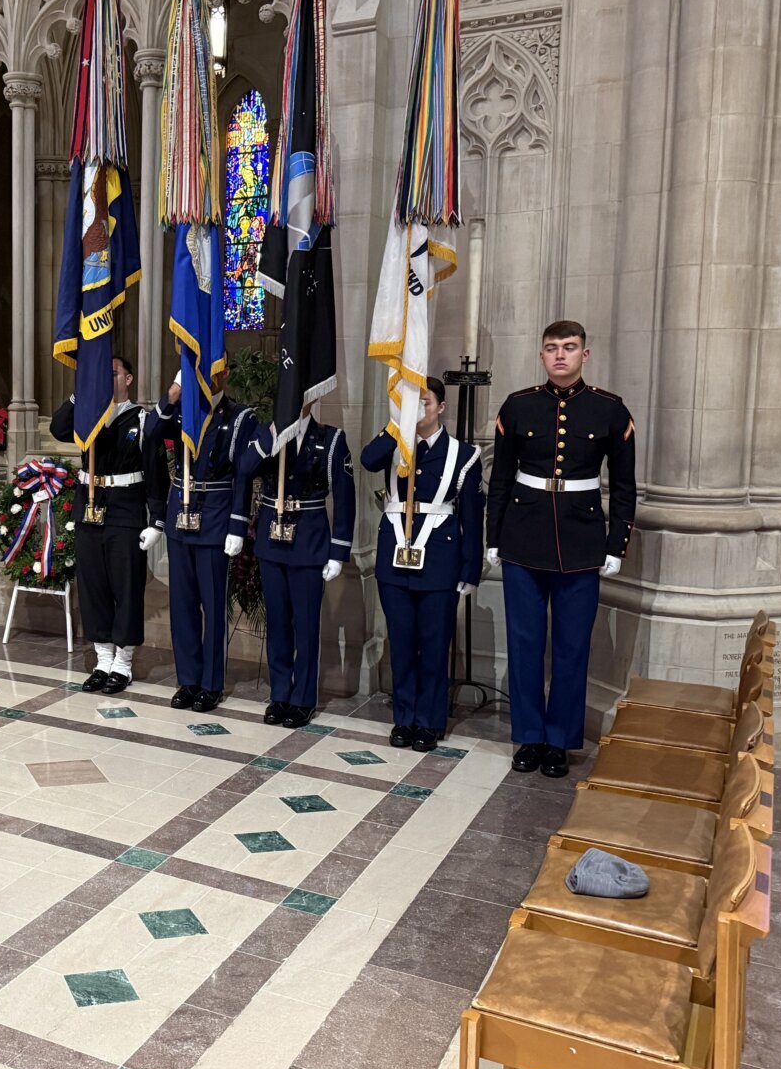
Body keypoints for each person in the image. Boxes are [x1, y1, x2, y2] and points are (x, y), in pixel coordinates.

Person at [487, 320, 637, 778]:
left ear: (584, 355)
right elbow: (499, 480)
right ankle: (529, 736)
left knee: (572, 647)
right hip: (523, 536)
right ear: (541, 355)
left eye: (569, 348)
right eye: (551, 348)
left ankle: (560, 740)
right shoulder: (517, 406)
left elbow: (626, 487)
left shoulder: (610, 410)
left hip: (582, 541)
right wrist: (493, 537)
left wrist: (617, 544)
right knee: (525, 643)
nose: (559, 356)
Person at [360, 377, 484, 752]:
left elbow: (473, 517)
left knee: (432, 645)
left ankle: (429, 721)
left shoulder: (464, 455)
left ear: (441, 407)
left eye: (424, 402)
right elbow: (367, 459)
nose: (420, 409)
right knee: (401, 643)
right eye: (412, 402)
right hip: (395, 560)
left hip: (440, 561)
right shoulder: (395, 445)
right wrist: (398, 421)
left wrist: (470, 569)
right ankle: (405, 718)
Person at [49, 355, 164, 694]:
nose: (107, 379)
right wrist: (80, 394)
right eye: (101, 374)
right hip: (90, 508)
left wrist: (156, 520)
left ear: (128, 379)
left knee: (126, 587)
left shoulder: (143, 420)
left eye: (112, 373)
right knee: (94, 586)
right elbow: (58, 428)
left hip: (126, 511)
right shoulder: (88, 417)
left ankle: (123, 662)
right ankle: (102, 659)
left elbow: (157, 474)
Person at [148, 365, 260, 712]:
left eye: (214, 371)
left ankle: (211, 683)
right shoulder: (182, 411)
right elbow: (151, 433)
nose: (207, 378)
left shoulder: (241, 418)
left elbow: (243, 475)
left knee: (212, 606)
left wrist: (238, 526)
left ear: (224, 375)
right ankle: (189, 680)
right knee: (182, 606)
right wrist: (173, 394)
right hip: (180, 516)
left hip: (215, 517)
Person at [235, 409, 355, 727]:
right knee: (277, 624)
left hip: (309, 542)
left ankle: (302, 698)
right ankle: (280, 695)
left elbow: (345, 498)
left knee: (305, 626)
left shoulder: (330, 439)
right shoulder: (267, 434)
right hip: (271, 542)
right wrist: (271, 435)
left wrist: (338, 552)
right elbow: (244, 469)